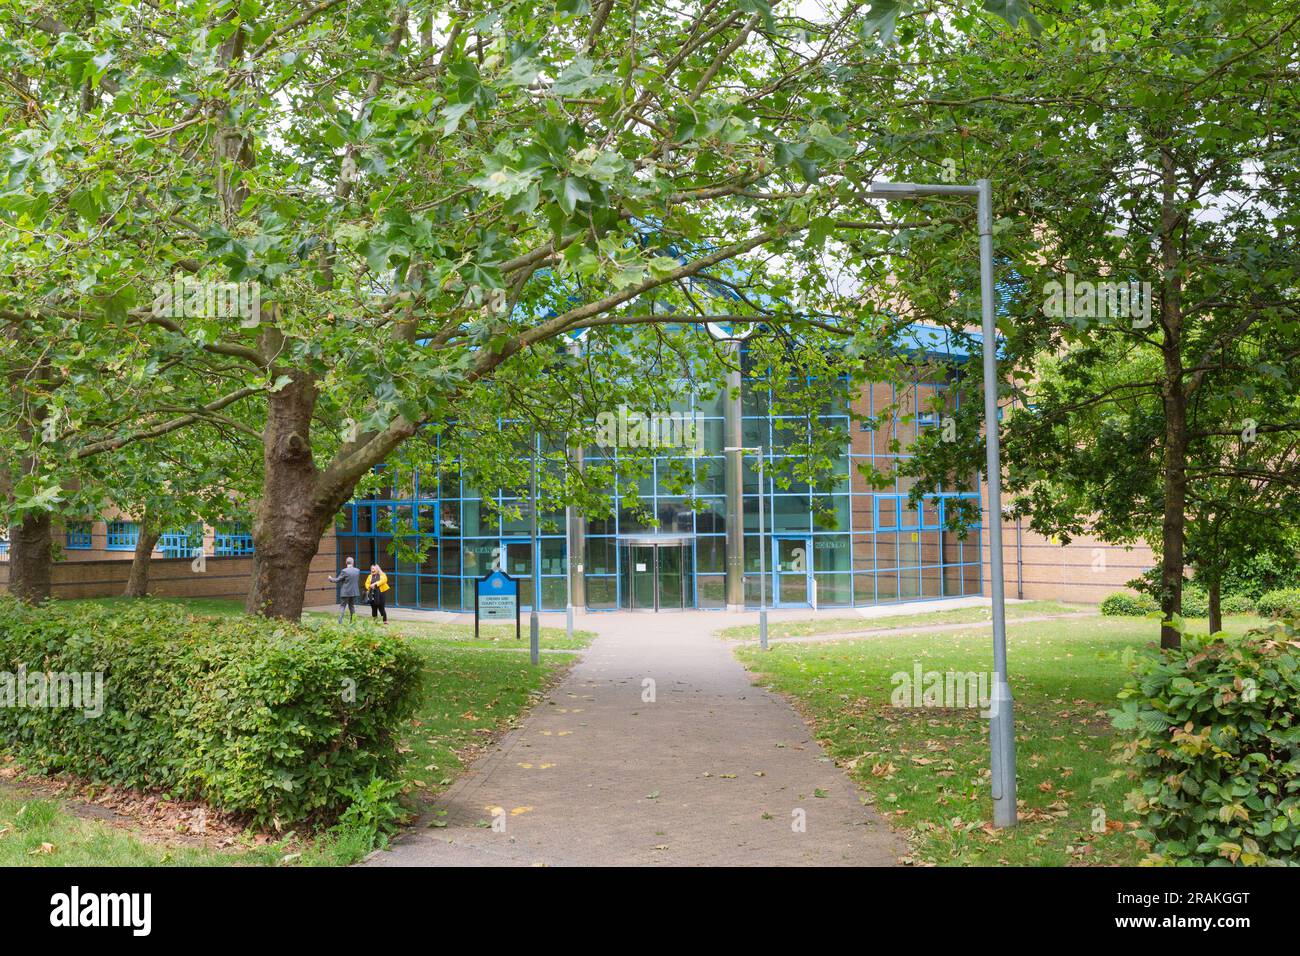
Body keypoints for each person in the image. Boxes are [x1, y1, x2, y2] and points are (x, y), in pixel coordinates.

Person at [329, 556, 362, 624]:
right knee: (351, 606)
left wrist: (331, 579)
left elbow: (338, 580)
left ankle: (340, 621)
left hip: (345, 592)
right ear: (353, 563)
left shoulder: (344, 571)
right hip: (353, 592)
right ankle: (353, 621)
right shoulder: (357, 570)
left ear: (346, 563)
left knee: (343, 606)